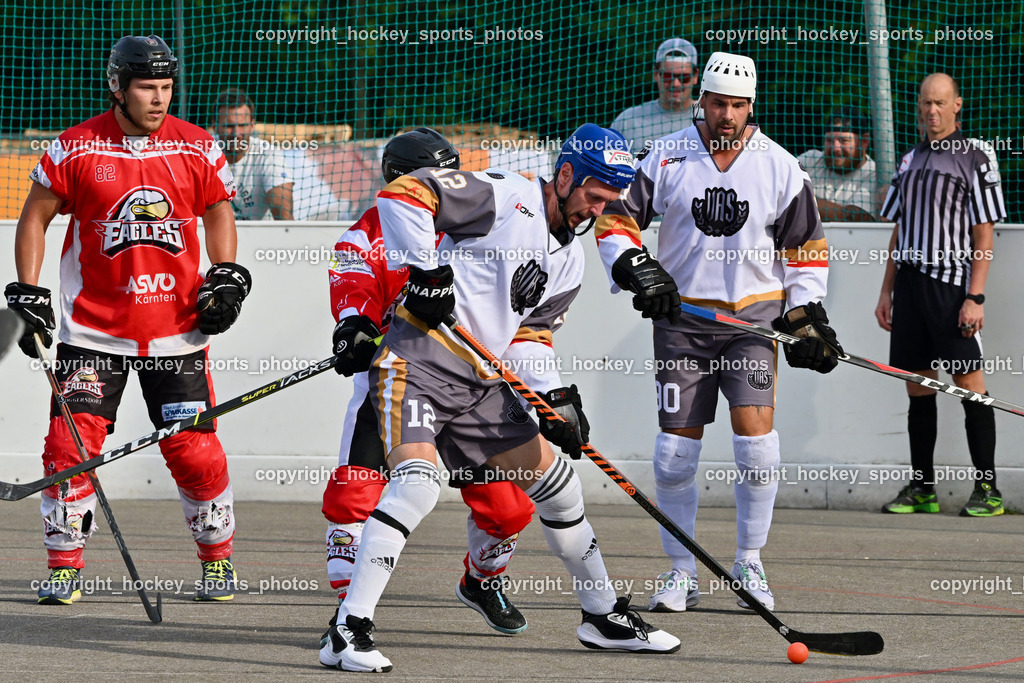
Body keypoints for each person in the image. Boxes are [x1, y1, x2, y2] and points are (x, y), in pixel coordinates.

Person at [319, 123, 681, 673]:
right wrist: (427, 269)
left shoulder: (570, 258)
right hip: (416, 361)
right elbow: (402, 195)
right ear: (565, 176)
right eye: (593, 195)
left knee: (558, 487)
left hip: (481, 381)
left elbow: (529, 336)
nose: (597, 211)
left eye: (610, 202)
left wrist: (551, 401)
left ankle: (602, 617)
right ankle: (347, 630)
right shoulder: (505, 196)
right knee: (416, 487)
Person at [5, 35, 251, 604]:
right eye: (147, 88)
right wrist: (27, 291)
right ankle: (64, 564)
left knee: (193, 450)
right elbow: (34, 218)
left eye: (166, 88)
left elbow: (218, 211)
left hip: (178, 333)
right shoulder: (75, 147)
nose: (159, 99)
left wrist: (228, 273)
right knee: (69, 449)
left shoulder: (197, 146)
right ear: (116, 86)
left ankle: (218, 560)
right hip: (93, 333)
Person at [595, 52, 843, 614]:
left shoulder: (780, 166)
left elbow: (805, 249)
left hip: (752, 324)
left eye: (737, 105)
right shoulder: (665, 155)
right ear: (700, 101)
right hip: (682, 322)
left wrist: (806, 315)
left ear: (751, 106)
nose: (726, 115)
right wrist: (637, 267)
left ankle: (749, 561)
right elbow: (615, 219)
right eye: (717, 103)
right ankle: (682, 571)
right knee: (673, 456)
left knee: (757, 450)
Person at [322, 128, 538, 637]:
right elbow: (351, 288)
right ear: (401, 179)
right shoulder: (360, 238)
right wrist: (353, 327)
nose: (448, 183)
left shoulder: (474, 223)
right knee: (354, 497)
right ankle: (350, 612)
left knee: (509, 508)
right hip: (396, 381)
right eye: (436, 174)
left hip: (469, 388)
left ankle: (481, 581)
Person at [875, 72, 1006, 517]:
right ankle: (922, 488)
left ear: (957, 106)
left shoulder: (976, 157)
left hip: (952, 288)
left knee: (971, 387)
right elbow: (899, 228)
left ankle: (988, 490)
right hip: (910, 288)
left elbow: (984, 231)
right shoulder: (909, 160)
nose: (931, 111)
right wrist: (887, 290)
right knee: (917, 386)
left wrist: (977, 297)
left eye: (940, 103)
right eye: (925, 103)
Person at [213, 87, 294, 220]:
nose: (236, 134)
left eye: (242, 125)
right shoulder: (202, 153)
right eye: (229, 126)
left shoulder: (268, 155)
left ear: (252, 125)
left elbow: (284, 217)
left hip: (260, 238)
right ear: (215, 125)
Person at [611, 38, 699, 153]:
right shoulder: (628, 121)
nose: (675, 83)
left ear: (695, 76)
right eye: (668, 76)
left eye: (684, 77)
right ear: (656, 74)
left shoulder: (709, 119)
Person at [796, 110, 879, 221]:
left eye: (843, 141)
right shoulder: (810, 159)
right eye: (829, 140)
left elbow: (853, 217)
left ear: (864, 141)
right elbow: (777, 188)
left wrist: (796, 198)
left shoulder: (874, 174)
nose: (835, 148)